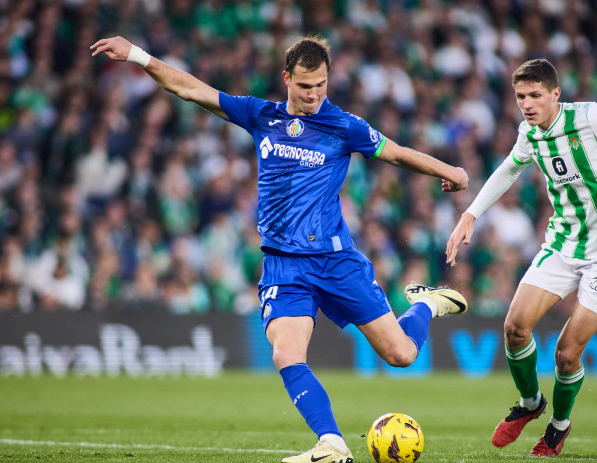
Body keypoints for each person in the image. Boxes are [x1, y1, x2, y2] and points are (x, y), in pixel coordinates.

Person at [91, 35, 469, 463]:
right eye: (305, 86)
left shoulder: (344, 126)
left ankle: (427, 304)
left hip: (335, 261)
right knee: (285, 352)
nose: (313, 95)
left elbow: (396, 154)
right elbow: (191, 89)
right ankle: (332, 443)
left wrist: (451, 170)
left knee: (401, 354)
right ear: (286, 78)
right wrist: (139, 56)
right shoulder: (260, 115)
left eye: (321, 85)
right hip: (283, 265)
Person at [446, 59, 597, 456]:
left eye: (536, 95)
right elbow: (507, 170)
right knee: (515, 327)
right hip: (564, 243)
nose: (527, 104)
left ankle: (558, 426)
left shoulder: (592, 117)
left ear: (556, 94)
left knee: (567, 353)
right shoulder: (528, 133)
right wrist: (470, 214)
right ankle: (531, 403)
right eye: (520, 97)